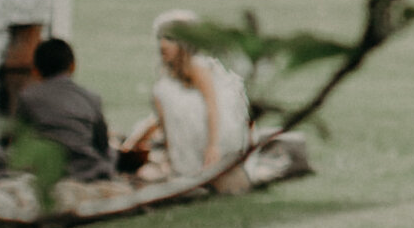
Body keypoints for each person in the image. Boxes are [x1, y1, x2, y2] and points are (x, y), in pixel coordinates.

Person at [123, 11, 252, 193]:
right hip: (184, 138)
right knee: (162, 92)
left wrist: (212, 146)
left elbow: (212, 106)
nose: (162, 44)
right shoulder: (168, 76)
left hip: (211, 134)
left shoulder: (197, 66)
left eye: (170, 39)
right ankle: (177, 161)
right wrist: (135, 141)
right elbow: (161, 116)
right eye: (160, 38)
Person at [15, 37, 128, 205]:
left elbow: (20, 145)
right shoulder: (91, 98)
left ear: (36, 70)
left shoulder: (27, 97)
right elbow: (102, 145)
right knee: (112, 153)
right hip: (87, 170)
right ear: (72, 66)